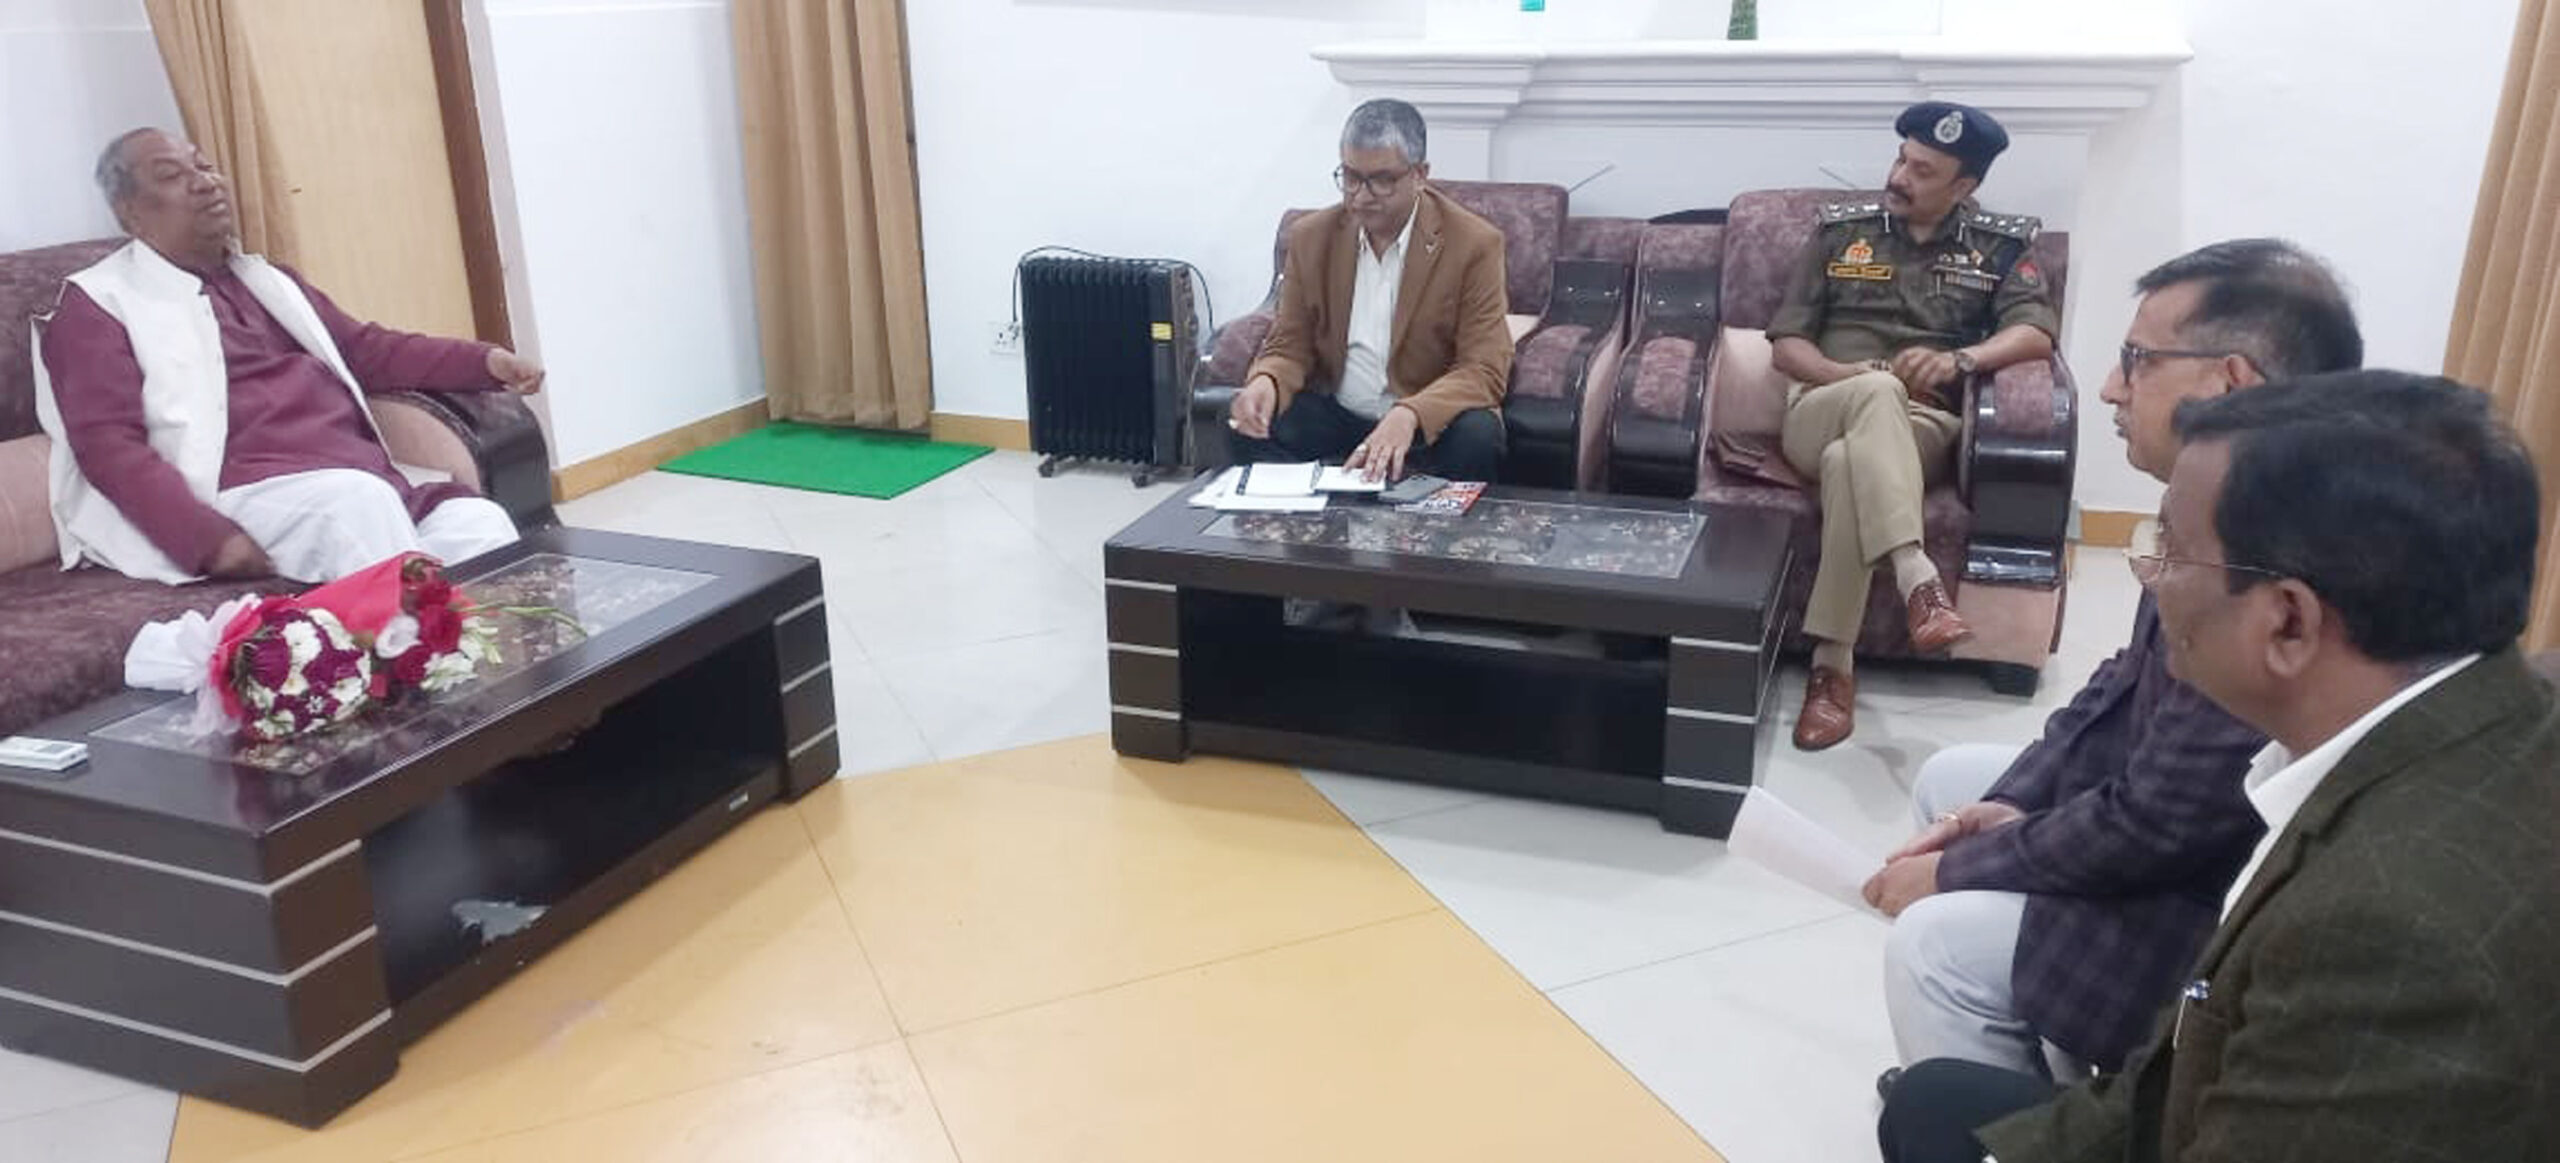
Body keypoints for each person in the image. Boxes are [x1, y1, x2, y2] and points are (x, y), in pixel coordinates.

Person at [1880, 370, 2560, 1162]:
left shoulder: (2389, 934)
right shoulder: (2474, 713)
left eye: (2171, 550)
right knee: (1932, 1106)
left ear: (2289, 622)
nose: (2151, 576)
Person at [1865, 241, 2364, 1088]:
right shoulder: (2223, 493)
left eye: (2137, 359)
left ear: (2230, 381)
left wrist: (1956, 868)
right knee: (1956, 785)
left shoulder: (2274, 565)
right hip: (2166, 822)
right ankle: (2012, 1071)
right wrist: (2014, 803)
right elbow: (2121, 684)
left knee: (1932, 943)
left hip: (2200, 905)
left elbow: (2159, 821)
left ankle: (2038, 1122)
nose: (2108, 387)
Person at [34, 127, 544, 585]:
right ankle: (414, 659)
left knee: (479, 525)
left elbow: (367, 350)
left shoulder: (266, 280)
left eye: (204, 166)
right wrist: (207, 539)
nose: (205, 183)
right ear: (130, 213)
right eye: (172, 175)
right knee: (357, 508)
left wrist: (484, 363)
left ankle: (489, 661)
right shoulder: (99, 303)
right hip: (239, 491)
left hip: (360, 477)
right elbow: (107, 446)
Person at [1769, 101, 2059, 751]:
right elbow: (1787, 344)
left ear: (1965, 186)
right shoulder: (1840, 233)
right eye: (1902, 159)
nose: (1899, 176)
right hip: (1821, 406)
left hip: (1920, 425)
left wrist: (1963, 359)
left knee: (1850, 463)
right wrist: (1851, 376)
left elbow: (2036, 332)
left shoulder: (1999, 246)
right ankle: (1916, 576)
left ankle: (1832, 669)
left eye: (1923, 171)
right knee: (1873, 393)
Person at [1227, 98, 1511, 483]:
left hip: (1424, 422)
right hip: (1340, 413)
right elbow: (1290, 343)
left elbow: (1484, 369)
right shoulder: (1311, 237)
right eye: (1350, 177)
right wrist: (1268, 380)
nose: (1361, 196)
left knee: (1477, 435)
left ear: (1420, 175)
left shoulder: (1474, 244)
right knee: (1245, 424)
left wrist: (1410, 413)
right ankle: (1299, 520)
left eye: (1381, 180)